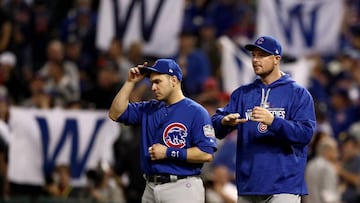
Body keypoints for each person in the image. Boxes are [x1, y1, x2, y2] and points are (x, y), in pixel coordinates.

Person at [211, 36, 316, 203]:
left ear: (276, 59)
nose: (255, 60)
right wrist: (224, 122)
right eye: (253, 55)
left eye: (262, 55)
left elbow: (305, 134)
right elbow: (216, 125)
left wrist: (274, 121)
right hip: (249, 184)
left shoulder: (298, 93)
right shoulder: (243, 94)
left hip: (284, 185)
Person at [108, 58, 217, 203]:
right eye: (152, 82)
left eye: (158, 82)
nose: (153, 87)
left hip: (182, 187)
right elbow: (115, 113)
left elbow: (206, 154)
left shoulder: (196, 112)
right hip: (150, 187)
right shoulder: (149, 108)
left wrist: (168, 152)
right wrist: (130, 83)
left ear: (173, 80)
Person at [304, 136, 341, 203]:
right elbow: (329, 196)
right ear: (327, 151)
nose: (337, 153)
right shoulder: (328, 167)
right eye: (335, 149)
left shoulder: (310, 164)